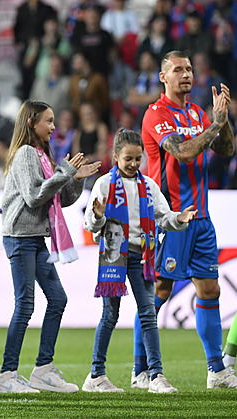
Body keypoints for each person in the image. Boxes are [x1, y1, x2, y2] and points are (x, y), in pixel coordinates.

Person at [135, 50, 237, 389]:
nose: (186, 74)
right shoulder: (156, 114)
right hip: (171, 217)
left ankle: (216, 371)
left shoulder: (196, 112)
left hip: (203, 219)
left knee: (209, 289)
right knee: (159, 291)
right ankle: (143, 372)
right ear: (163, 77)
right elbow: (184, 151)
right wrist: (215, 124)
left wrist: (223, 121)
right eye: (178, 69)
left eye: (190, 68)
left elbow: (225, 151)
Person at [0, 100, 100, 394]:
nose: (54, 127)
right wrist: (65, 171)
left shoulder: (40, 154)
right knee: (25, 305)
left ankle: (42, 369)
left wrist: (76, 180)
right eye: (48, 121)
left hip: (35, 238)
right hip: (20, 237)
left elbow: (60, 198)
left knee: (57, 299)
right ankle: (7, 375)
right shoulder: (26, 153)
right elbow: (33, 197)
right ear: (31, 123)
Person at [83, 128, 196, 393]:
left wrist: (178, 219)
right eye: (128, 159)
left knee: (148, 314)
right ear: (115, 157)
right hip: (114, 256)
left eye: (138, 159)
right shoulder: (103, 184)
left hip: (142, 256)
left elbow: (164, 216)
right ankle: (96, 374)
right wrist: (98, 215)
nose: (134, 164)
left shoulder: (149, 185)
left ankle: (155, 375)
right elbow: (91, 225)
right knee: (110, 315)